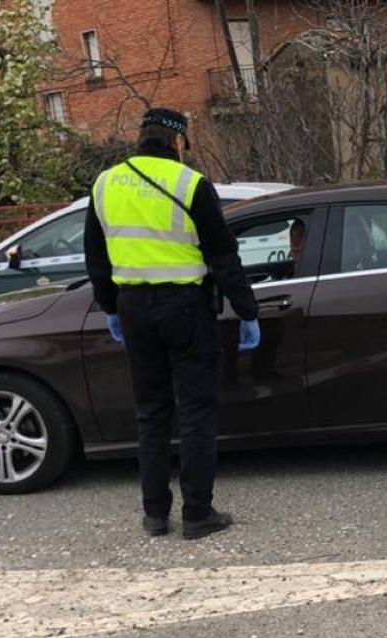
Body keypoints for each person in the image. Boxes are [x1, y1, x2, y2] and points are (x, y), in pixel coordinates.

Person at [85, 108, 261, 540]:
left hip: (133, 308)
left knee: (150, 413)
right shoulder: (191, 184)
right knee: (196, 412)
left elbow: (95, 255)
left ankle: (155, 515)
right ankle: (198, 513)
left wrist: (110, 305)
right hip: (185, 306)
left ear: (142, 137)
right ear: (178, 142)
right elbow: (223, 255)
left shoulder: (105, 184)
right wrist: (247, 310)